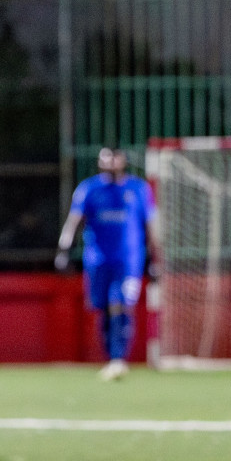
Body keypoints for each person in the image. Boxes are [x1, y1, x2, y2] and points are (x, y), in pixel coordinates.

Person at [56, 147, 160, 381]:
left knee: (121, 304)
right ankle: (111, 357)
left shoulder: (138, 189)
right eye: (106, 157)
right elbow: (74, 221)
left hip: (128, 260)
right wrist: (64, 250)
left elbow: (151, 226)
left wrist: (155, 259)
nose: (110, 162)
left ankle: (118, 359)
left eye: (115, 157)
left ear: (123, 160)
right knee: (103, 307)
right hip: (97, 260)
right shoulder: (89, 189)